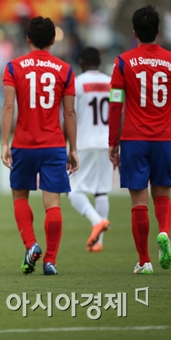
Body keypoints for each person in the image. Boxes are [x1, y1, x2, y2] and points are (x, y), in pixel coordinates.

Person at [1, 16, 79, 275]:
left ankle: (31, 244)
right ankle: (51, 260)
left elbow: (9, 106)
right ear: (54, 40)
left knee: (20, 196)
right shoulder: (65, 70)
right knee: (53, 204)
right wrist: (73, 148)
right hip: (54, 144)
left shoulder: (13, 67)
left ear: (28, 39)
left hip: (24, 143)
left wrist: (4, 142)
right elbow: (69, 113)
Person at [109, 5, 171, 274]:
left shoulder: (123, 62)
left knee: (139, 201)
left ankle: (144, 261)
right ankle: (166, 232)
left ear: (134, 32)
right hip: (165, 139)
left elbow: (115, 104)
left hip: (134, 139)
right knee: (163, 193)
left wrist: (113, 142)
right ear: (158, 31)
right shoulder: (170, 61)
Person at [68, 47, 112, 252]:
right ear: (99, 62)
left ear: (82, 62)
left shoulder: (77, 83)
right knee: (101, 191)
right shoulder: (110, 82)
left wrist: (69, 145)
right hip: (106, 142)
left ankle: (96, 221)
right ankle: (99, 241)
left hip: (84, 142)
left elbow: (70, 114)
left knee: (73, 190)